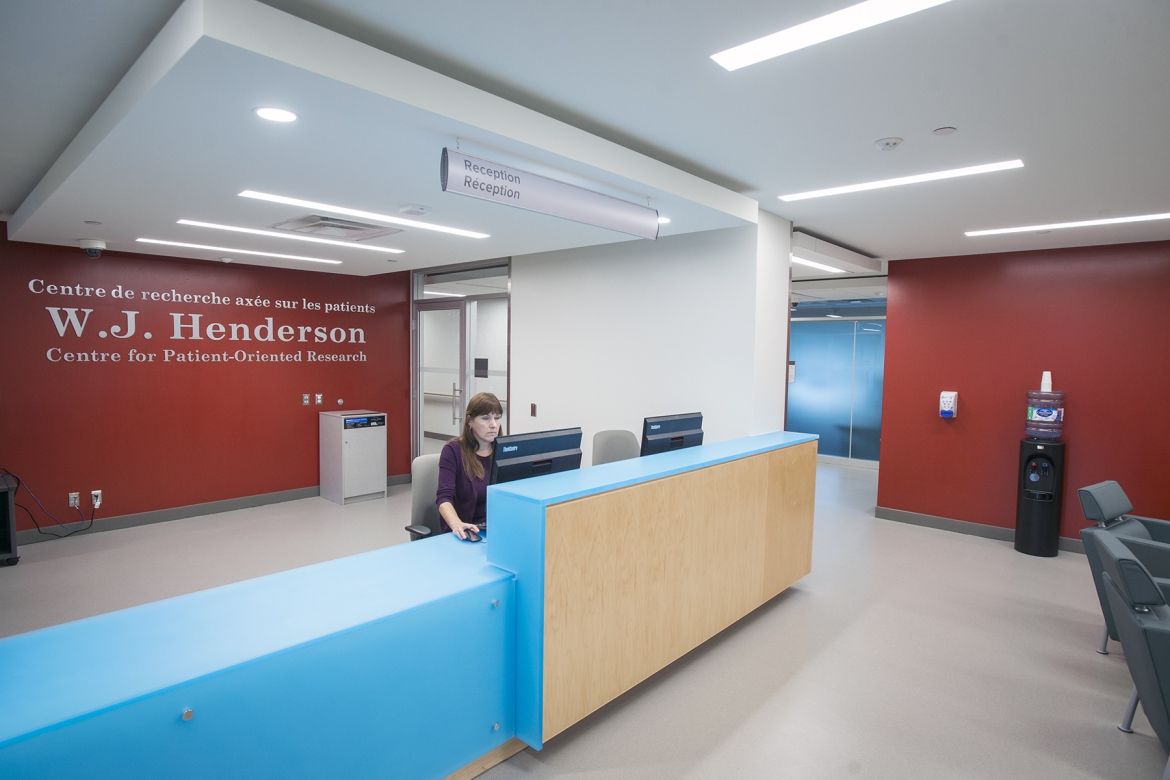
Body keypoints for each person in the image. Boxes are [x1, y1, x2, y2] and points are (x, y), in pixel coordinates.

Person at [436, 392, 503, 539]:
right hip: (467, 532)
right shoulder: (453, 451)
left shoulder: (504, 451)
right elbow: (443, 499)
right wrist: (456, 523)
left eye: (497, 418)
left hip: (497, 530)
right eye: (485, 418)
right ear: (470, 421)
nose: (493, 425)